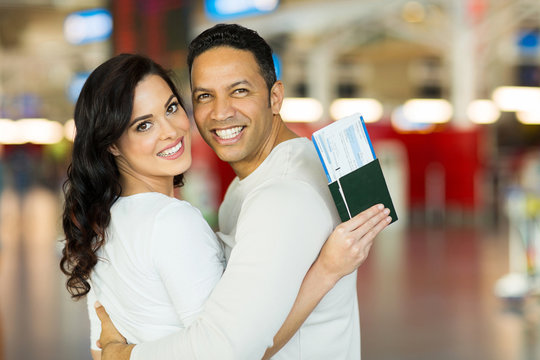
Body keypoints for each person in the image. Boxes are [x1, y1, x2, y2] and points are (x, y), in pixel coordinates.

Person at [60, 53, 390, 359]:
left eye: (172, 108)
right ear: (112, 145)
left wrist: (117, 353)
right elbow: (232, 348)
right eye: (143, 125)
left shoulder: (99, 224)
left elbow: (100, 347)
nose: (171, 131)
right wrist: (326, 270)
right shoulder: (172, 221)